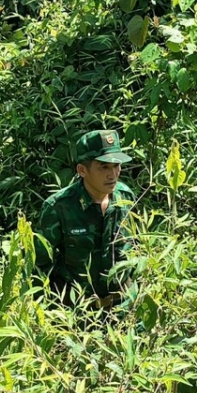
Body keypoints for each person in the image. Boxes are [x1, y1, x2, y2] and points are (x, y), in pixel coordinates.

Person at [33, 129, 136, 308]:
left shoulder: (125, 198)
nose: (113, 174)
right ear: (82, 170)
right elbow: (39, 267)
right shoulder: (59, 207)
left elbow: (136, 248)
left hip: (124, 307)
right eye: (104, 167)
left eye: (116, 165)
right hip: (78, 313)